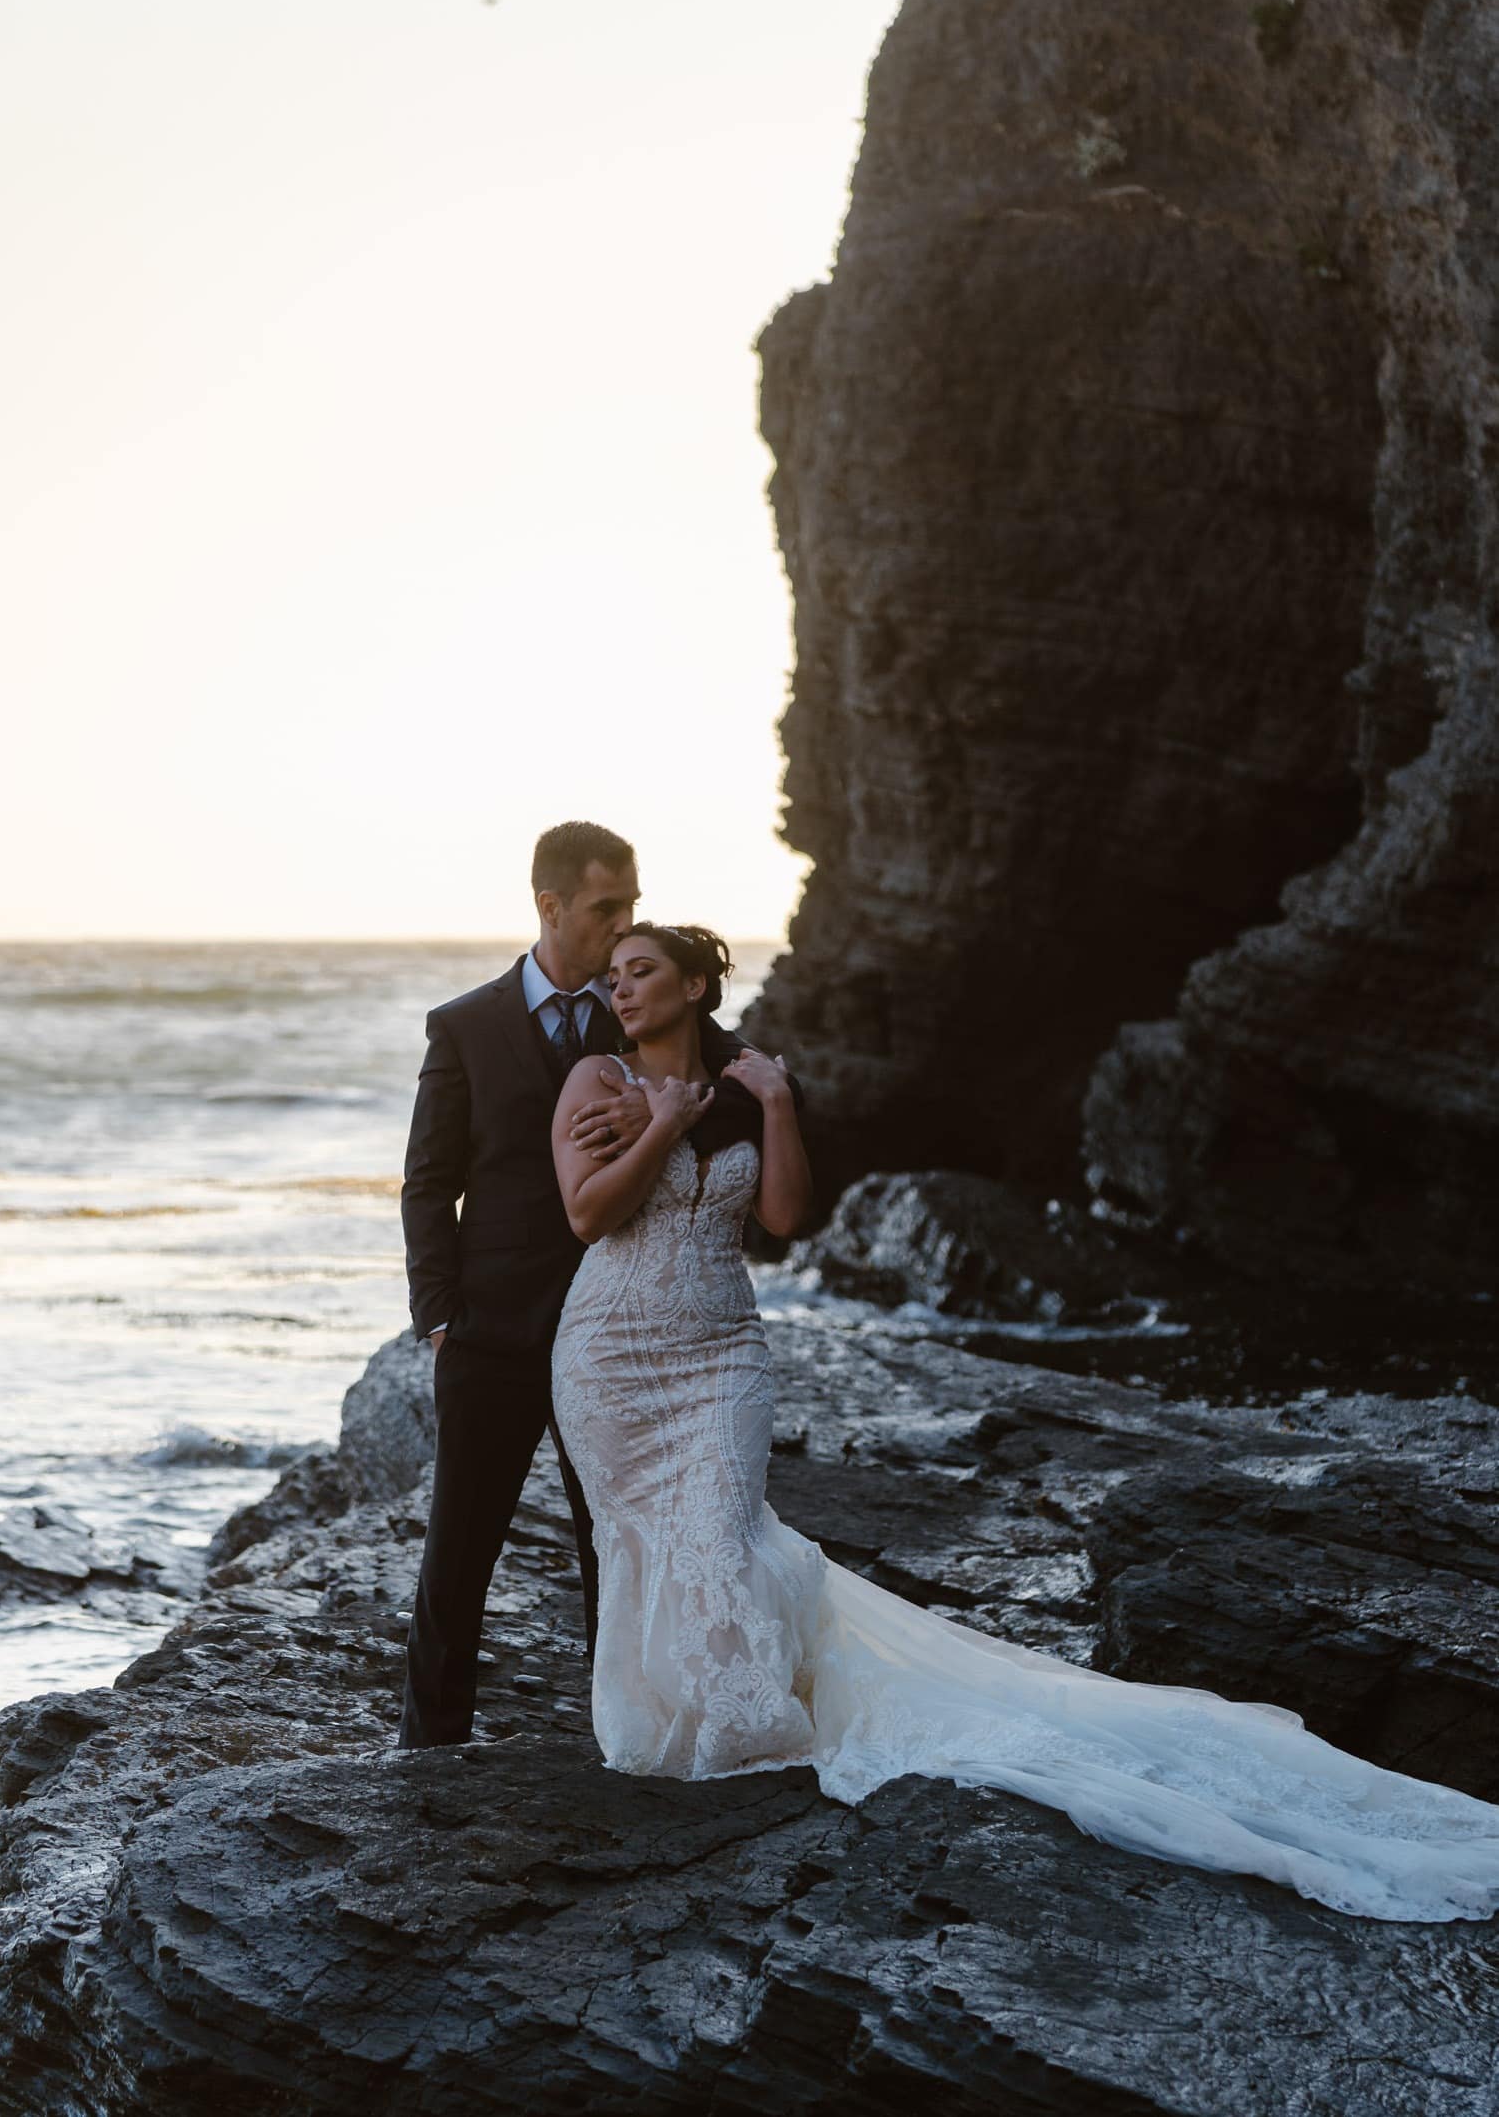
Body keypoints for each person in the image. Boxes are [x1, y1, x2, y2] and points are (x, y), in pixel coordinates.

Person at [549, 922, 1499, 1923]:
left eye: (644, 971)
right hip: (613, 1357)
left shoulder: (752, 1089)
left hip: (723, 1357)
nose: (623, 989)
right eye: (614, 976)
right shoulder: (595, 1083)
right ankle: (671, 1718)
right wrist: (659, 1121)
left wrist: (776, 1101)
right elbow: (587, 1216)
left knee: (723, 1530)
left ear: (696, 983)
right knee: (646, 1541)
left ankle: (741, 1721)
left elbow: (785, 1219)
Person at [397, 823, 760, 1749]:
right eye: (608, 909)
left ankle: (625, 1739)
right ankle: (429, 1748)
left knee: (620, 1543)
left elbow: (735, 1086)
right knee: (459, 1551)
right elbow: (431, 1183)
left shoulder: (642, 1010)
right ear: (551, 908)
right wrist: (438, 1318)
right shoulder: (466, 1026)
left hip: (620, 1336)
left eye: (633, 907)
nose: (625, 927)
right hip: (494, 1331)